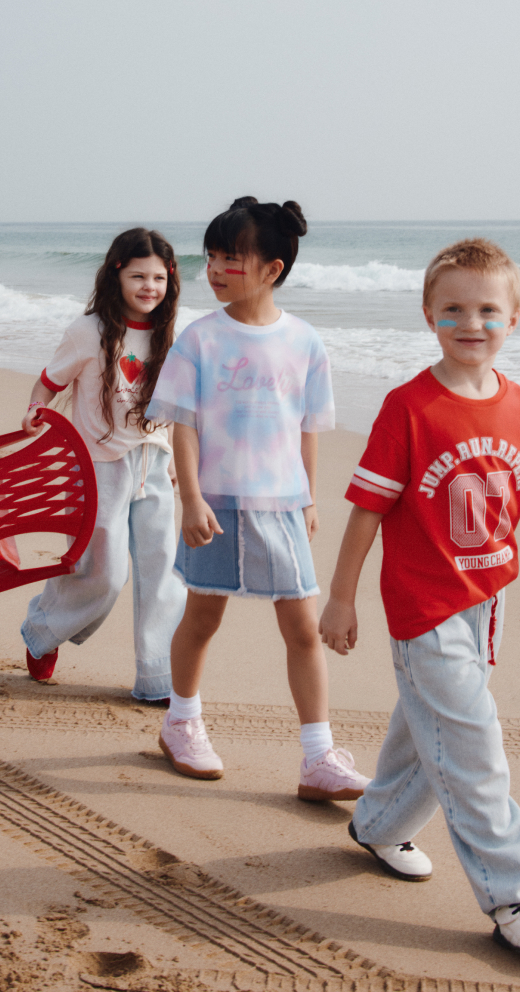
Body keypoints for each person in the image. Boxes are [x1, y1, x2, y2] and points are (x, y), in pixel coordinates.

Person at [319, 238, 520, 956]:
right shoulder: (408, 408)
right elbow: (367, 511)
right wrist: (342, 598)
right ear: (429, 315)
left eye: (488, 310)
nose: (471, 323)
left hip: (487, 603)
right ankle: (516, 896)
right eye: (453, 309)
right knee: (473, 748)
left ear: (513, 319)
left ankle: (379, 825)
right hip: (423, 610)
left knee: (430, 727)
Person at [145, 196, 370, 800]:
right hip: (216, 503)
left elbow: (306, 428)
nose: (216, 270)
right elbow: (184, 426)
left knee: (302, 628)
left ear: (272, 268)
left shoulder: (304, 342)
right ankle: (180, 723)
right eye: (211, 257)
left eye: (231, 258)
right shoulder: (200, 338)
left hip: (281, 506)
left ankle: (318, 757)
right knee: (202, 617)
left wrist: (309, 498)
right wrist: (191, 499)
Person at [19, 227, 186, 703]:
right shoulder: (87, 331)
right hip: (97, 467)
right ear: (116, 274)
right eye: (138, 276)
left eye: (158, 278)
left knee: (161, 573)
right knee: (104, 574)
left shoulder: (169, 334)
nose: (149, 287)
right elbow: (48, 382)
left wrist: (174, 457)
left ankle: (157, 678)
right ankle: (43, 630)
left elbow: (170, 407)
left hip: (154, 462)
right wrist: (35, 410)